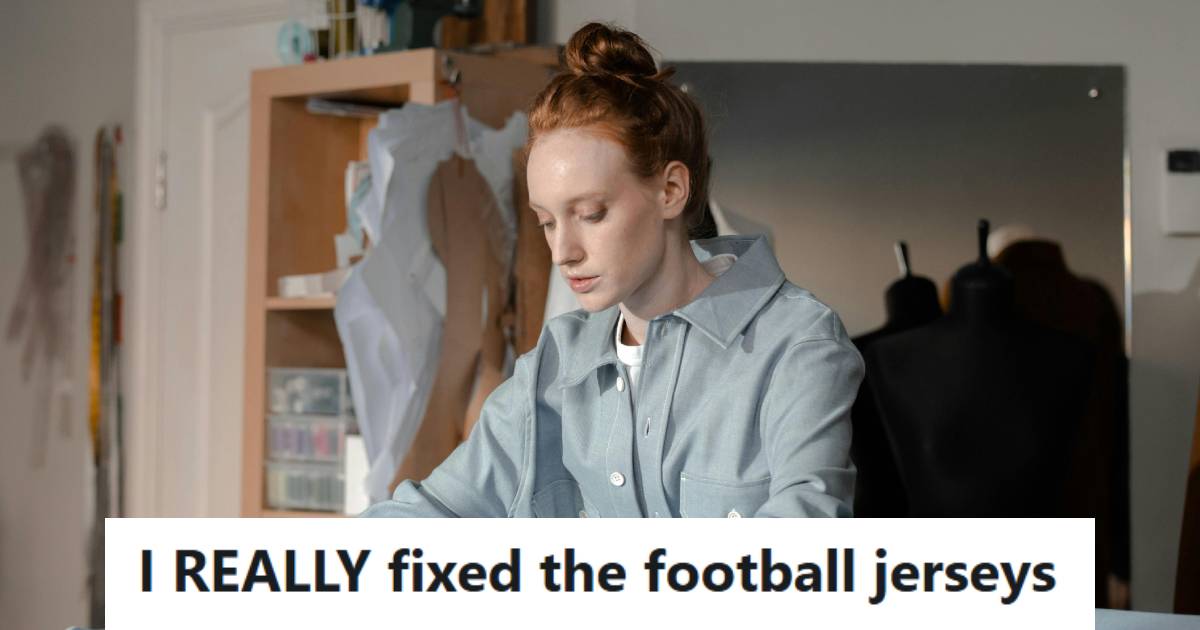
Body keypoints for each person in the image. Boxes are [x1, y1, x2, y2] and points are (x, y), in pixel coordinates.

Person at [361, 22, 863, 518]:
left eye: (591, 214)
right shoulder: (556, 363)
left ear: (670, 191)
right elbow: (438, 509)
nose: (563, 252)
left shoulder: (797, 345)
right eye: (547, 222)